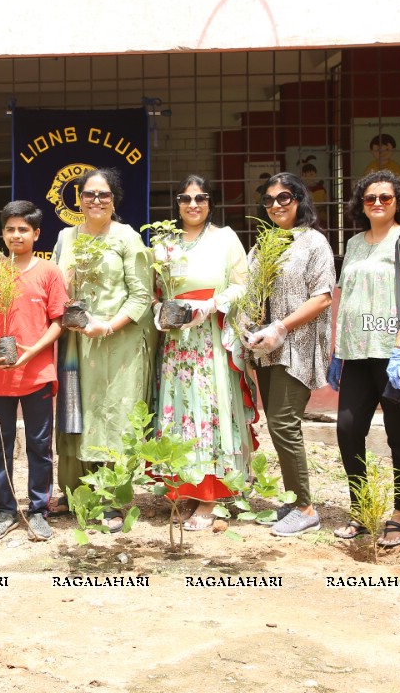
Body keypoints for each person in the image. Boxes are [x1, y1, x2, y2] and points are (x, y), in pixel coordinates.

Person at [329, 171, 400, 547]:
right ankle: (361, 510)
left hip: (394, 354)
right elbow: (347, 300)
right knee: (347, 430)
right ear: (360, 203)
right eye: (370, 197)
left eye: (385, 198)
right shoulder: (354, 244)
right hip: (356, 353)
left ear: (397, 202)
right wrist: (337, 351)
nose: (377, 203)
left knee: (399, 435)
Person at [53, 168, 155, 532]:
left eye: (104, 195)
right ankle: (75, 493)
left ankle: (113, 500)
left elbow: (142, 295)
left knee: (115, 415)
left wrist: (108, 326)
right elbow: (55, 288)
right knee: (75, 413)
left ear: (114, 200)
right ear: (78, 199)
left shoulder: (127, 238)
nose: (95, 201)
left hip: (117, 343)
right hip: (75, 345)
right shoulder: (67, 237)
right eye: (89, 194)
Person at [152, 175, 256, 531]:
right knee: (180, 410)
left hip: (210, 339)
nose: (192, 204)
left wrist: (211, 305)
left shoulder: (225, 238)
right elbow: (156, 291)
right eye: (185, 198)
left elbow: (244, 286)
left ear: (211, 202)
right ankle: (184, 489)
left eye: (201, 198)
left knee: (208, 409)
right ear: (176, 203)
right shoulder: (163, 243)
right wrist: (161, 313)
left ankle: (211, 496)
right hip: (177, 344)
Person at [245, 173, 335, 536]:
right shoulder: (264, 244)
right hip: (265, 350)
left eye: (284, 197)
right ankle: (294, 498)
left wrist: (281, 327)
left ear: (300, 199)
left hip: (295, 348)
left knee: (284, 424)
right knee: (278, 425)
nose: (276, 205)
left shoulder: (314, 243)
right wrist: (251, 327)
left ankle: (305, 507)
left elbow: (323, 295)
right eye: (268, 200)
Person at [0, 201, 66, 541]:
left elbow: (58, 322)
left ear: (36, 233)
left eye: (23, 229)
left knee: (39, 445)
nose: (16, 235)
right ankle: (5, 511)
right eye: (10, 229)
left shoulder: (49, 272)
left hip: (37, 374)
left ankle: (39, 511)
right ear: (2, 234)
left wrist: (31, 354)